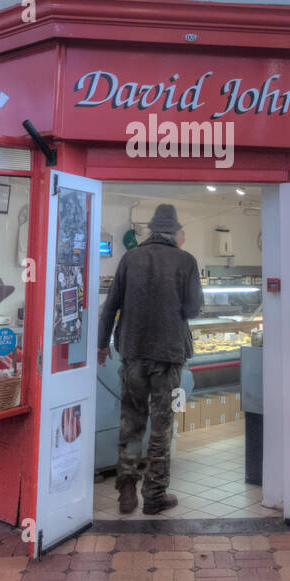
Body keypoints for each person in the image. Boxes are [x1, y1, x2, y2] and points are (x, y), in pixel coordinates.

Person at [98, 203, 203, 515]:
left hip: (131, 353)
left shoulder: (130, 258)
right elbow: (194, 308)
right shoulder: (185, 261)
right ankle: (154, 494)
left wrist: (102, 344)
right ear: (174, 233)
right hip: (168, 355)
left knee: (131, 423)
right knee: (161, 426)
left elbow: (110, 306)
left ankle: (126, 492)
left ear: (151, 230)